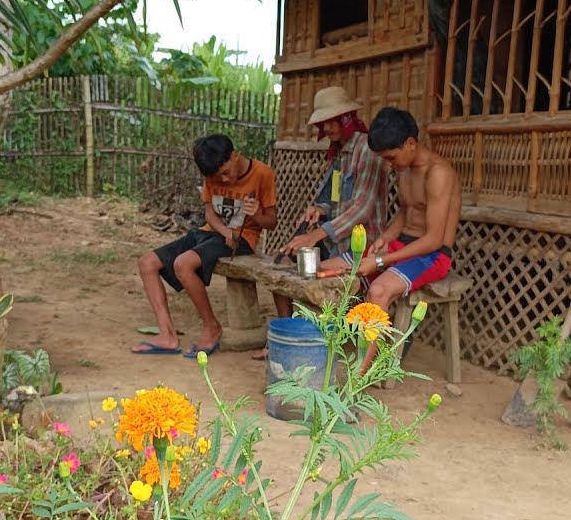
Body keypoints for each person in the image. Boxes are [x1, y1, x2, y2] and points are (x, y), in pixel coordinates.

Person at [252, 86, 390, 360]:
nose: (327, 128)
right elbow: (340, 200)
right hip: (334, 242)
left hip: (363, 248)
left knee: (307, 280)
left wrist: (315, 235)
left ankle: (313, 349)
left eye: (332, 121)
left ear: (348, 118)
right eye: (323, 122)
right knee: (282, 271)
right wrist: (320, 208)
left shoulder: (367, 149)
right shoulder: (338, 153)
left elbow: (362, 208)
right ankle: (288, 336)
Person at [131, 134, 277, 358]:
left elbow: (272, 222)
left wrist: (256, 214)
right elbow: (210, 213)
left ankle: (211, 327)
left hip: (242, 240)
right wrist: (225, 231)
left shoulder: (262, 174)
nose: (224, 180)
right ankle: (167, 335)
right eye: (218, 177)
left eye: (226, 173)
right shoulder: (213, 172)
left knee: (183, 264)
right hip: (214, 232)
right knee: (147, 263)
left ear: (234, 155)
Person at [322, 107, 459, 314]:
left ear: (411, 144)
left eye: (391, 158)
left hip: (432, 256)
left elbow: (434, 239)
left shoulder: (438, 173)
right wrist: (385, 239)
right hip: (399, 246)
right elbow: (406, 213)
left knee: (378, 291)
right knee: (327, 270)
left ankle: (365, 347)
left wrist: (379, 260)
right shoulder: (404, 168)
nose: (387, 165)